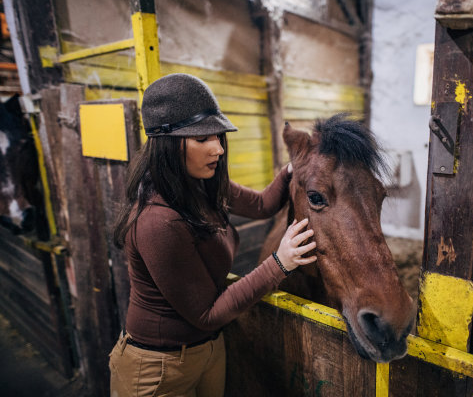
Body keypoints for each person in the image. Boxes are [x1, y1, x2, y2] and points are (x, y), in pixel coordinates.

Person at [108, 73, 317, 397]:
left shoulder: (203, 184)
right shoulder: (157, 221)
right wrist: (280, 263)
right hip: (159, 367)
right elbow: (208, 313)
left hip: (208, 349)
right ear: (168, 143)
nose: (218, 148)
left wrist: (295, 167)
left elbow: (262, 205)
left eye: (218, 136)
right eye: (202, 139)